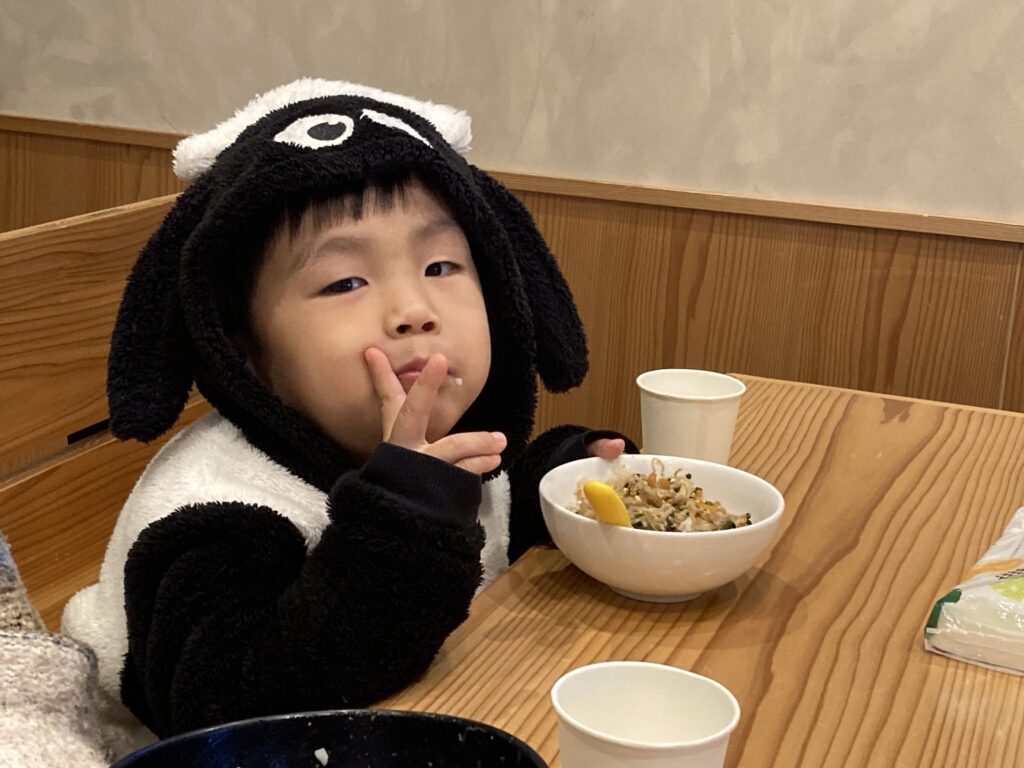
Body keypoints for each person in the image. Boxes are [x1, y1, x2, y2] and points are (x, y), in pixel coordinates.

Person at [61, 78, 635, 758]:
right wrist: (404, 521)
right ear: (245, 351)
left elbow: (492, 516)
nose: (414, 310)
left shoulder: (435, 449)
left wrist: (561, 475)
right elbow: (231, 707)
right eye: (346, 282)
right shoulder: (216, 509)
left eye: (442, 265)